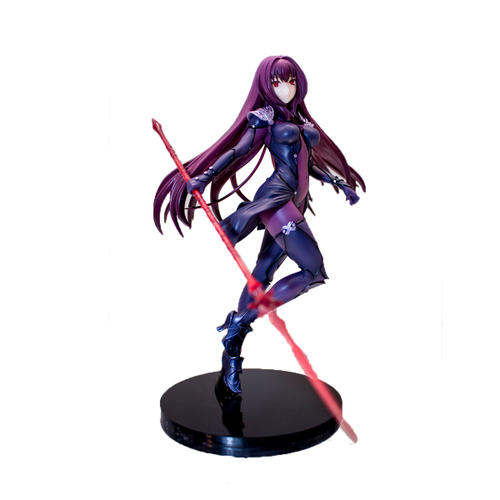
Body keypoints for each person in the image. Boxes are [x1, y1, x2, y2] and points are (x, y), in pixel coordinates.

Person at [153, 55, 365, 397]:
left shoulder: (297, 119)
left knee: (263, 274)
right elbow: (238, 151)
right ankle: (243, 319)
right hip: (276, 200)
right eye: (278, 81)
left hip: (294, 204)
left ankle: (231, 354)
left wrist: (337, 183)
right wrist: (205, 176)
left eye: (291, 81)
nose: (285, 88)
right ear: (267, 84)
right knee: (312, 271)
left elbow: (306, 163)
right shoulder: (264, 119)